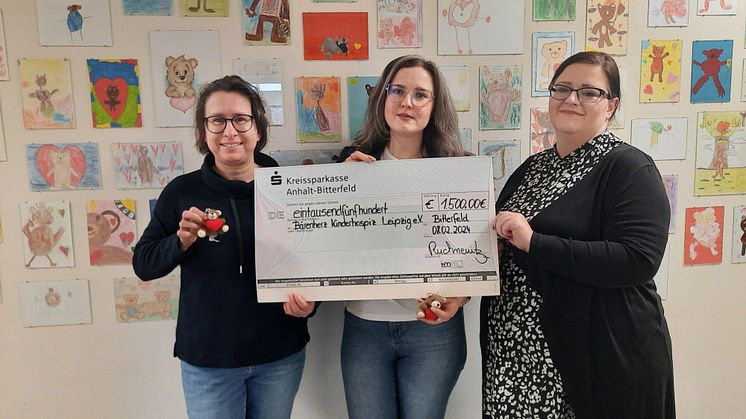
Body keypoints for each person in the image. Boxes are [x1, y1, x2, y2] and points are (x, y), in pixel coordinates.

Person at [481, 51, 675, 418]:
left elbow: (637, 261)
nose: (571, 99)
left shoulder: (629, 168)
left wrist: (534, 243)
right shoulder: (532, 169)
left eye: (589, 92)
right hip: (518, 358)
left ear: (611, 105)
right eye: (562, 89)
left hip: (596, 356)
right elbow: (498, 247)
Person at [132, 75, 314, 419]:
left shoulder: (291, 190)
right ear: (204, 131)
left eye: (241, 119)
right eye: (217, 120)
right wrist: (181, 241)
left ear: (258, 128)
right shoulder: (181, 192)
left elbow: (312, 263)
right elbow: (144, 263)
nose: (230, 131)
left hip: (280, 354)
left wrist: (310, 305)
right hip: (208, 362)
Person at [336, 55, 469, 419]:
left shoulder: (461, 171)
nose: (407, 102)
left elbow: (476, 251)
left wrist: (461, 296)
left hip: (432, 330)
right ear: (382, 98)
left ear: (434, 107)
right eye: (397, 90)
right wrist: (339, 189)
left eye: (420, 95)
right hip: (365, 327)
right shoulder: (351, 166)